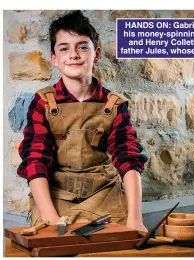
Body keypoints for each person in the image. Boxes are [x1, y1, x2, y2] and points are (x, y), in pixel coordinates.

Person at [17, 11, 148, 231]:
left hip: (103, 194)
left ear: (96, 55)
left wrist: (135, 220)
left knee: (116, 247)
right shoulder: (42, 102)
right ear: (54, 59)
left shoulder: (115, 104)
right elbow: (35, 160)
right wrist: (50, 217)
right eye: (64, 48)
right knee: (53, 247)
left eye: (82, 46)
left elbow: (128, 158)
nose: (74, 55)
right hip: (55, 195)